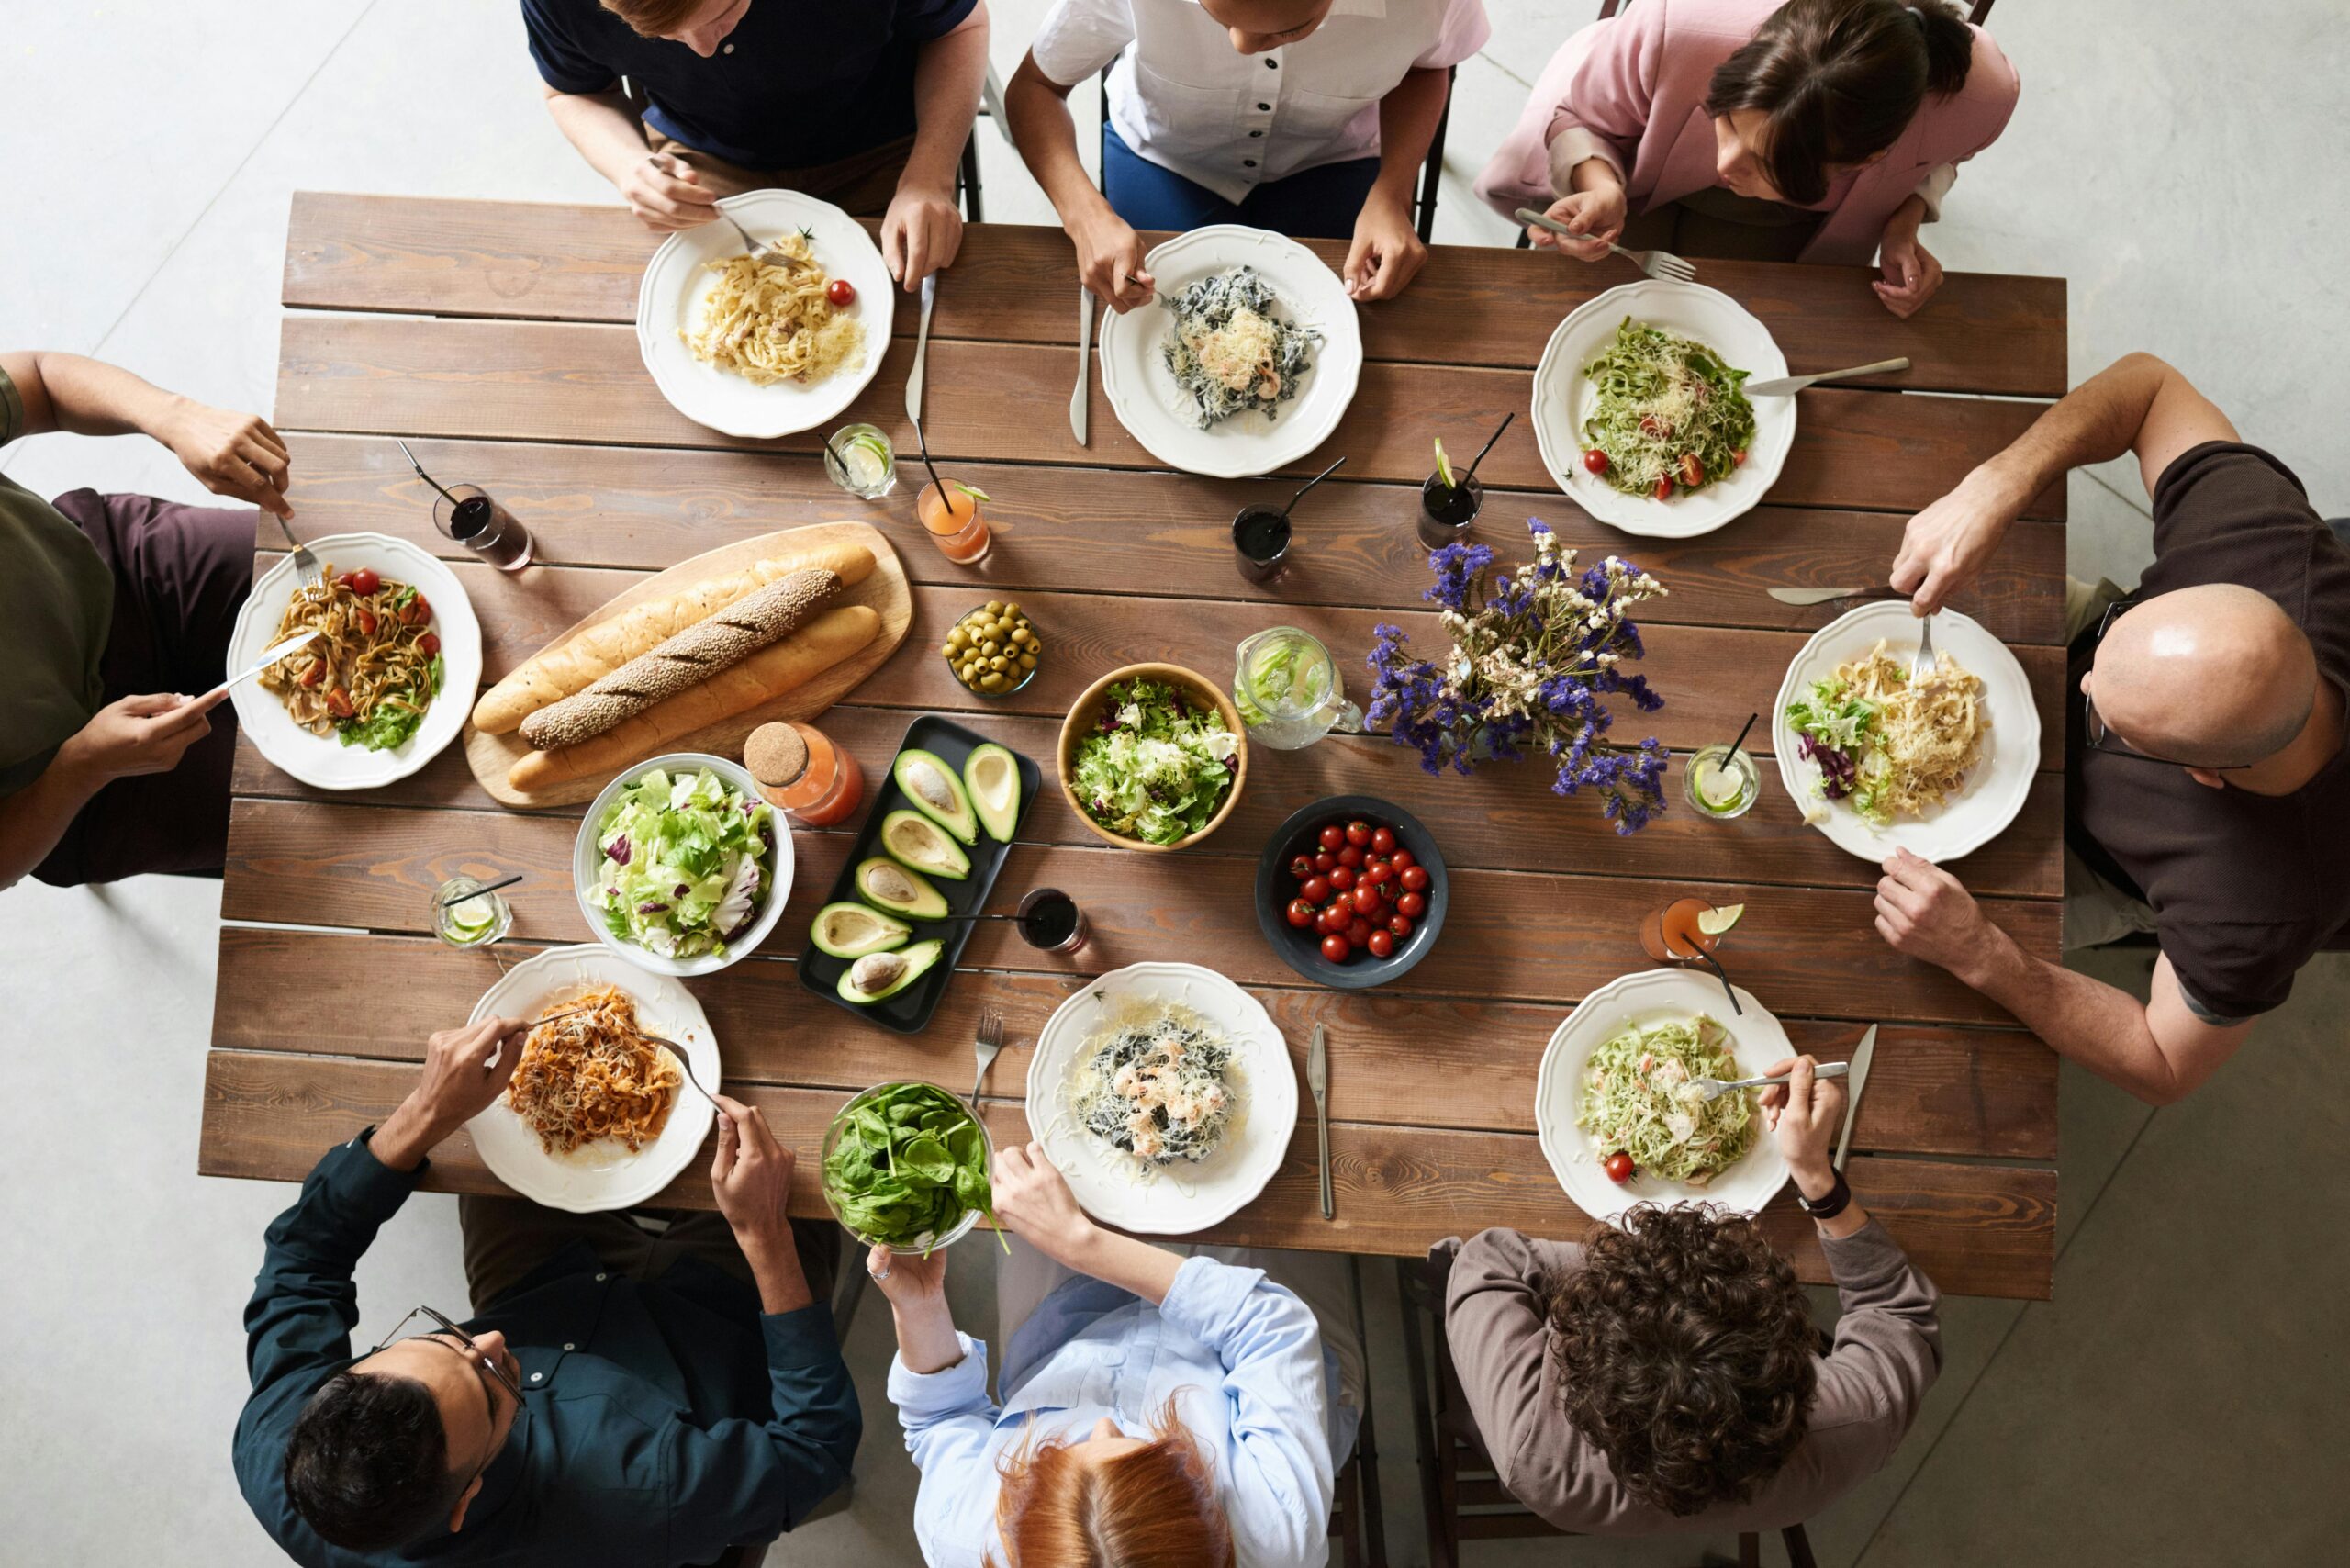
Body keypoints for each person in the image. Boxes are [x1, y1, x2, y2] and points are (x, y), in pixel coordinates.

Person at [1874, 352, 2350, 1105]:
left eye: (2104, 714)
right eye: (2105, 667)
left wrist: (1986, 955)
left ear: (2205, 775)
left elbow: (2164, 1063)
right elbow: (2150, 387)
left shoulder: (2258, 908)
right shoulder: (2265, 544)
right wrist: (1997, 485)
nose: (2081, 683)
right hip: (2117, 627)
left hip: (2094, 857)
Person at [234, 1015, 860, 1564]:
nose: (491, 1339)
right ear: (467, 1499)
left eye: (444, 1339)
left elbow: (301, 1263)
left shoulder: (277, 1445)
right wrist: (764, 1234)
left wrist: (425, 1112)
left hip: (544, 1286)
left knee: (504, 1132)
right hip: (713, 1326)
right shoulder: (640, 1496)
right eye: (491, 1384)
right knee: (803, 1134)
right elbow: (815, 1450)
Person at [1444, 1058, 1940, 1531]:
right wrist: (1815, 1177)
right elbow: (1898, 1313)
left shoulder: (1529, 1450)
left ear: (1579, 1367)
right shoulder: (1859, 1421)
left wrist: (1619, 1275)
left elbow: (1486, 1262)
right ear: (1792, 1358)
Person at [871, 1141, 1363, 1566]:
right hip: (1257, 1343)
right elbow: (1268, 1324)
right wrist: (1080, 1242)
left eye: (1057, 1455)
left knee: (1030, 1161)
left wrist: (920, 1309)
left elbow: (940, 1419)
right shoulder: (1277, 1533)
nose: (1104, 1424)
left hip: (1065, 1328)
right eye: (1152, 1451)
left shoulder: (957, 1540)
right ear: (1206, 1517)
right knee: (1280, 1170)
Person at [1475, 0, 2018, 318]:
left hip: (1803, 230)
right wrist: (1599, 185)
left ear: (1868, 156)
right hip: (1641, 170)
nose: (1725, 165)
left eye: (1767, 164)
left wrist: (1904, 223)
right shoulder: (1676, 25)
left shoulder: (1980, 98)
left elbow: (1944, 158)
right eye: (1728, 119)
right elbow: (1581, 116)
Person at [0, 351, 294, 890]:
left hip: (120, 569)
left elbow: (38, 379)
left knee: (343, 576)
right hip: (71, 782)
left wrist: (172, 416)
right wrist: (81, 767)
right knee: (324, 815)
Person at [1005, 0, 1491, 310]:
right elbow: (1035, 89)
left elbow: (1430, 67)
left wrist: (1394, 191)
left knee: (1357, 323)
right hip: (1165, 157)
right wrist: (1085, 218)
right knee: (1145, 321)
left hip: (1332, 160)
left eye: (1289, 29)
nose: (1241, 47)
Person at [522, 0, 990, 288]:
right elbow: (572, 90)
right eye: (662, 37)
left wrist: (930, 178)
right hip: (704, 161)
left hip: (882, 145)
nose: (700, 49)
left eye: (721, 15)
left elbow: (961, 27)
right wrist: (628, 166)